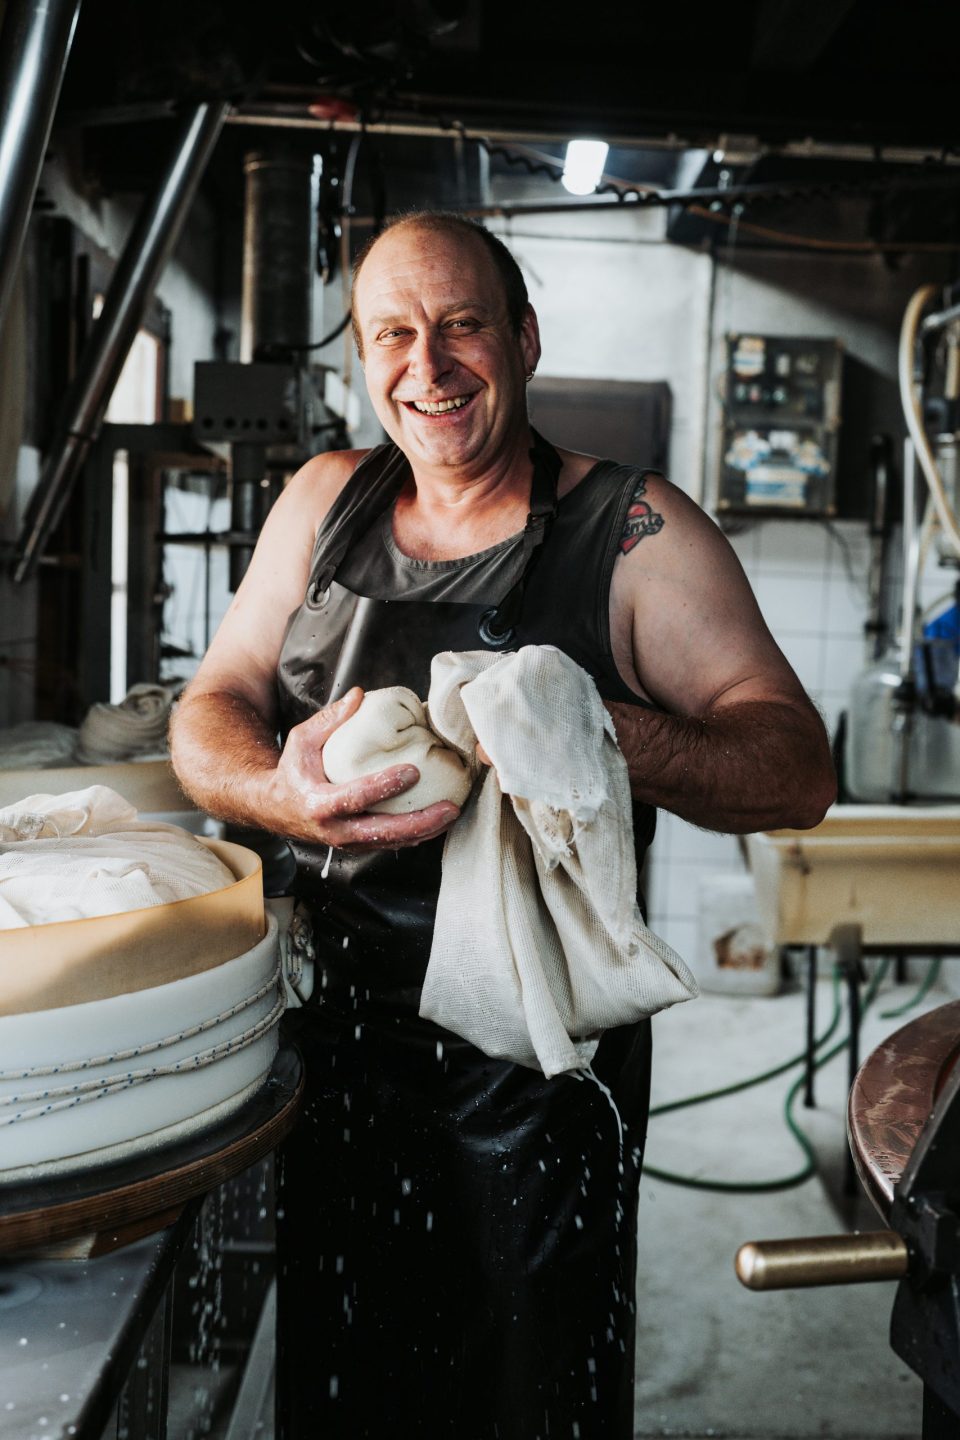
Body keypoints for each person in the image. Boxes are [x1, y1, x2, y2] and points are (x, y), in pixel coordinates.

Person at [170, 211, 835, 1439]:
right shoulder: (324, 505)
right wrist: (278, 792)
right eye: (394, 335)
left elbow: (796, 770)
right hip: (335, 1059)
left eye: (463, 326)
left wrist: (591, 727)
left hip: (541, 1085)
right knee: (343, 1393)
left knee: (529, 1403)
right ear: (363, 360)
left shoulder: (635, 533)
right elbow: (210, 707)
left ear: (524, 339)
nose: (428, 367)